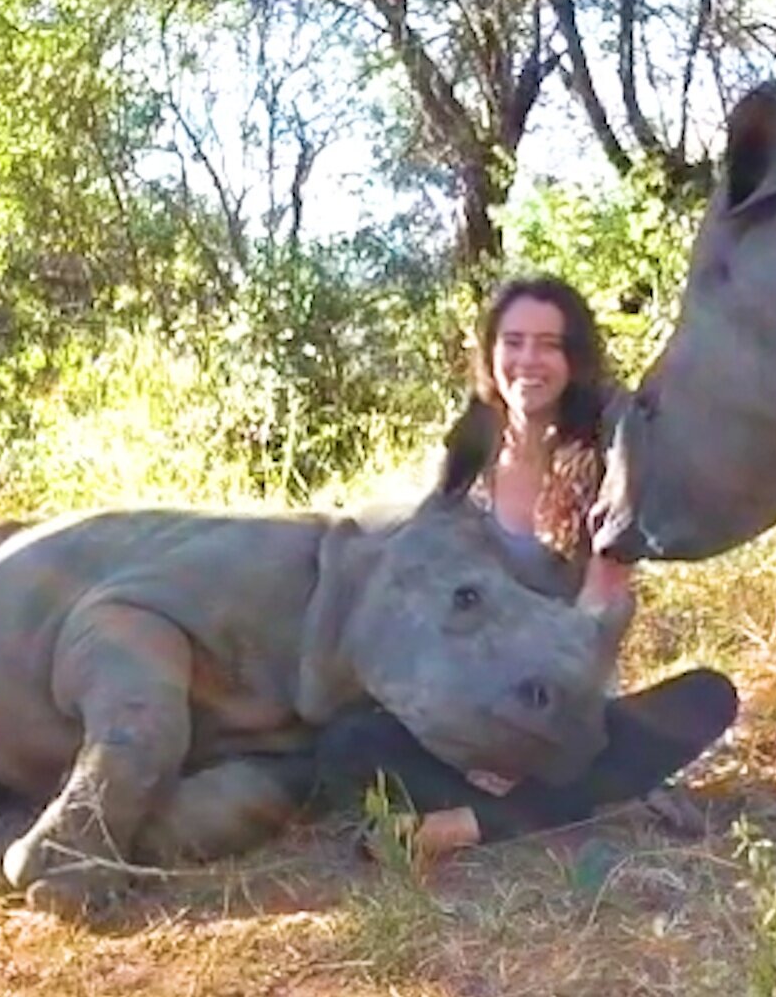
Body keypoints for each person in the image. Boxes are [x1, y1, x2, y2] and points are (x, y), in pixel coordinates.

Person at [315, 274, 739, 857]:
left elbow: (598, 619)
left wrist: (530, 738)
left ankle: (463, 825)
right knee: (348, 741)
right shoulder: (465, 458)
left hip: (559, 704)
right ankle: (553, 805)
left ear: (573, 358)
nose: (528, 360)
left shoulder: (607, 457)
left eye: (548, 344)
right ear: (491, 354)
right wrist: (464, 726)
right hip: (466, 703)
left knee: (708, 697)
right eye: (513, 342)